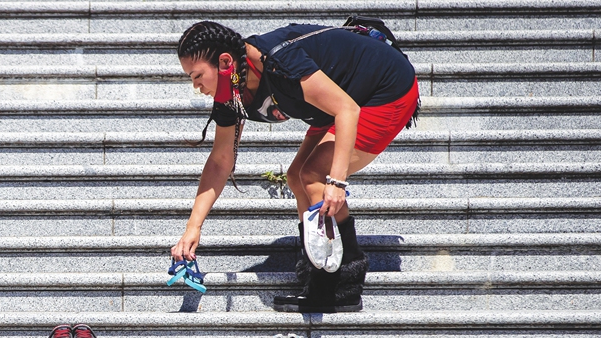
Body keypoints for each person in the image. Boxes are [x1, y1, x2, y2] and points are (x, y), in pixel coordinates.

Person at [173, 20, 419, 312]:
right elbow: (220, 160)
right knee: (295, 177)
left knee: (314, 175)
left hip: (384, 88)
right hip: (340, 98)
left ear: (225, 61)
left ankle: (342, 283)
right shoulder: (231, 92)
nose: (196, 86)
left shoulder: (280, 63)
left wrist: (337, 182)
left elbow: (347, 109)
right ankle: (316, 273)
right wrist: (193, 228)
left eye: (198, 75)